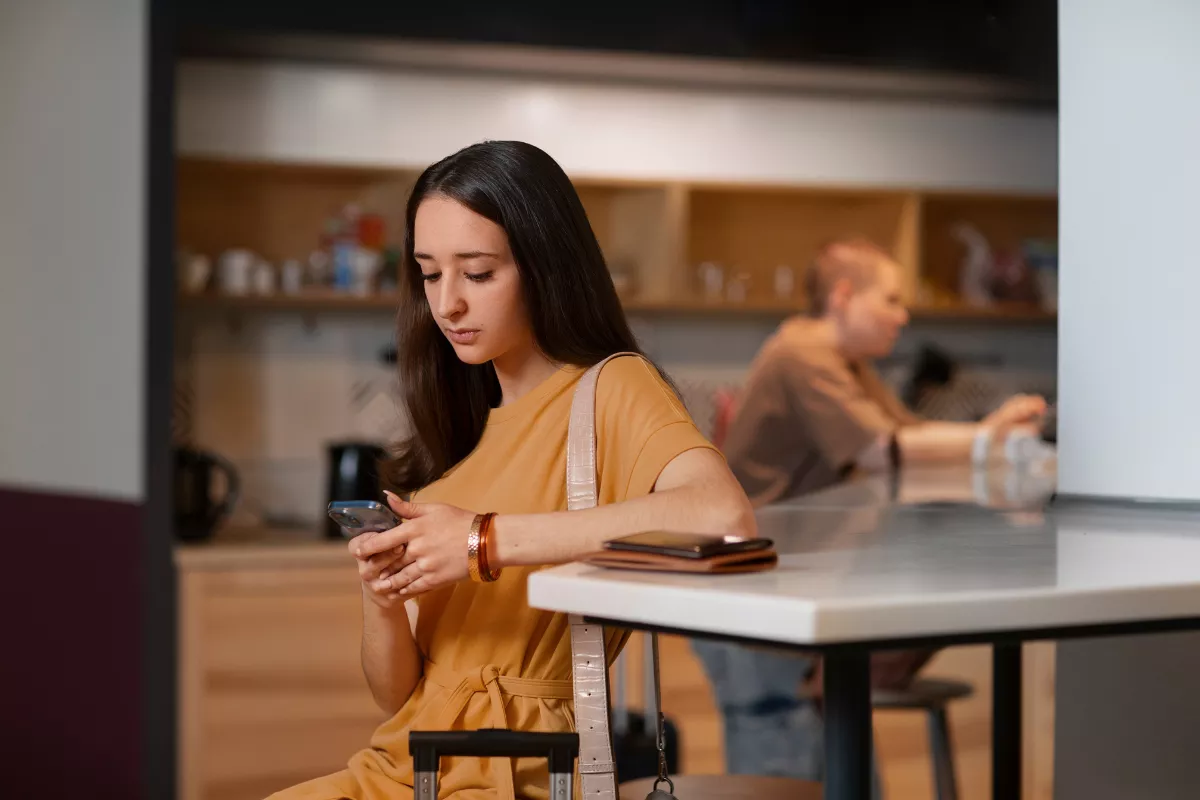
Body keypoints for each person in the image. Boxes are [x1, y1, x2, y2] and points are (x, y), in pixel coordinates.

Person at [267, 140, 754, 800]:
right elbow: (396, 697)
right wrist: (381, 599)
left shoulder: (612, 387)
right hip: (406, 766)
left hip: (523, 769)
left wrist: (483, 540)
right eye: (429, 274)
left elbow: (724, 515)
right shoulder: (458, 438)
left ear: (544, 266)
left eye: (477, 273)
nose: (447, 304)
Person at [692, 238, 1046, 782]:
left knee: (829, 752)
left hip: (785, 584)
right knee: (782, 759)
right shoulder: (802, 354)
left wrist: (989, 434)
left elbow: (907, 433)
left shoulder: (845, 362)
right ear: (843, 297)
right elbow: (882, 450)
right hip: (750, 591)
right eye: (890, 299)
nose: (902, 315)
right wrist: (988, 436)